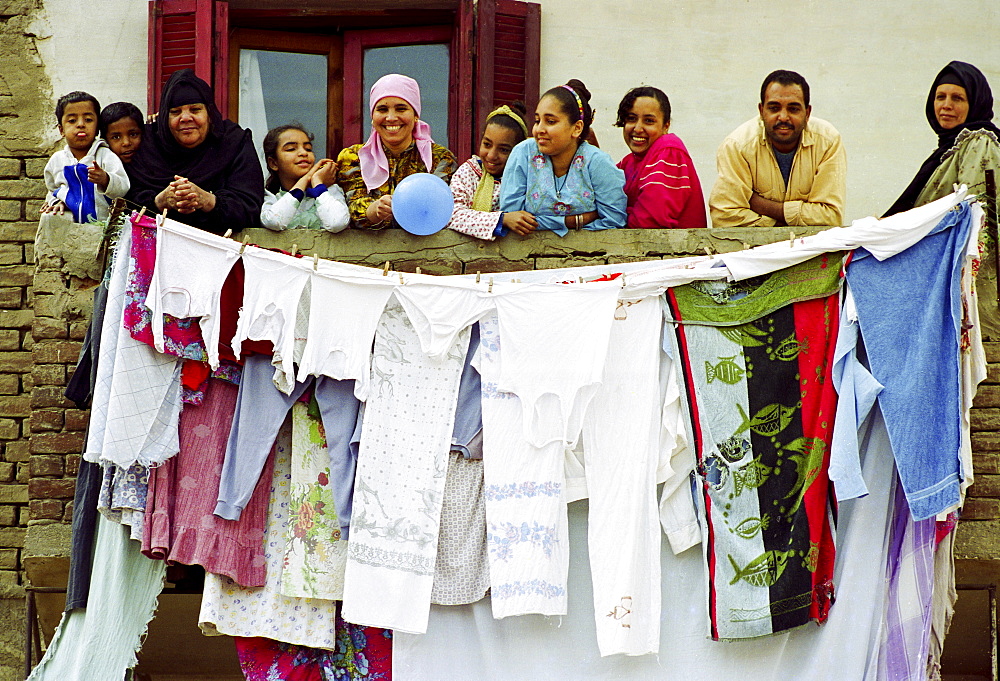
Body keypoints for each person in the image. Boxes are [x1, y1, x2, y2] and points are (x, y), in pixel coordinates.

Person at [126, 68, 264, 234]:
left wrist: (207, 200)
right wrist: (160, 201)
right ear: (164, 118)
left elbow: (250, 208)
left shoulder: (233, 142)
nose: (185, 118)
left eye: (195, 109)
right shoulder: (145, 144)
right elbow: (122, 204)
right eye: (175, 112)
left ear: (209, 113)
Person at [709, 70, 845, 228]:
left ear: (807, 113)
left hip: (812, 250)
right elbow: (724, 217)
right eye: (774, 108)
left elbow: (830, 217)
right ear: (761, 111)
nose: (783, 117)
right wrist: (780, 224)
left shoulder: (827, 141)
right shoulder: (737, 146)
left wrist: (760, 205)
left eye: (793, 109)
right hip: (754, 250)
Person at [498, 79, 626, 236]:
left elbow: (614, 221)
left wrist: (545, 225)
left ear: (576, 128)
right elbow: (514, 218)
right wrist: (572, 221)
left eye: (550, 121)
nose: (539, 129)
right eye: (537, 121)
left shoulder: (598, 163)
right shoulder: (523, 153)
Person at [336, 73, 458, 229]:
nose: (391, 117)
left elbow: (439, 208)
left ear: (415, 116)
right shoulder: (353, 157)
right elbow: (350, 209)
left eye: (401, 109)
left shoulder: (440, 158)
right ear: (372, 117)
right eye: (382, 109)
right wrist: (374, 210)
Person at [885, 61, 1000, 216]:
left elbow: (975, 215)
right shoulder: (949, 149)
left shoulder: (980, 143)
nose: (946, 105)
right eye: (940, 97)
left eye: (957, 98)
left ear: (975, 103)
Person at [615, 86, 706, 229]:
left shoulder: (669, 149)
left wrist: (615, 215)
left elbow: (649, 221)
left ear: (666, 126)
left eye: (649, 121)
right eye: (631, 119)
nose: (638, 128)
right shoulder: (627, 162)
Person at [448, 102, 534, 240]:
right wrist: (503, 219)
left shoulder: (530, 179)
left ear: (519, 151)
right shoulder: (469, 172)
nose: (491, 155)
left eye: (504, 150)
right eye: (487, 144)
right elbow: (452, 214)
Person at [43, 91, 129, 223]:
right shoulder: (57, 160)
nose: (81, 125)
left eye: (88, 120)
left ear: (97, 128)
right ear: (61, 130)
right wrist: (55, 201)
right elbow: (52, 189)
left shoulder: (105, 156)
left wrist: (106, 179)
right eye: (72, 121)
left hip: (102, 229)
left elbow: (123, 187)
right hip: (69, 231)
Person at [260, 124, 349, 232]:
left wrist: (317, 182)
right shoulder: (270, 197)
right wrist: (306, 179)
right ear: (273, 163)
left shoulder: (329, 192)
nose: (303, 153)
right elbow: (274, 221)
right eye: (291, 149)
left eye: (308, 149)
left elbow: (337, 223)